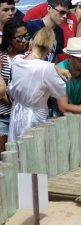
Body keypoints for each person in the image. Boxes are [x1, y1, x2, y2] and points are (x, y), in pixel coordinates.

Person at [8, 28, 66, 141]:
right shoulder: (46, 67)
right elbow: (60, 92)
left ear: (32, 42)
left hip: (16, 113)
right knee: (34, 150)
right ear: (50, 48)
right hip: (35, 115)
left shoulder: (17, 60)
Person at [0, 18, 30, 155]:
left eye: (26, 36)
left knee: (24, 157)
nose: (24, 40)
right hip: (3, 116)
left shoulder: (30, 58)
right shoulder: (2, 58)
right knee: (4, 159)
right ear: (9, 39)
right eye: (19, 38)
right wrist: (11, 102)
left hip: (23, 116)